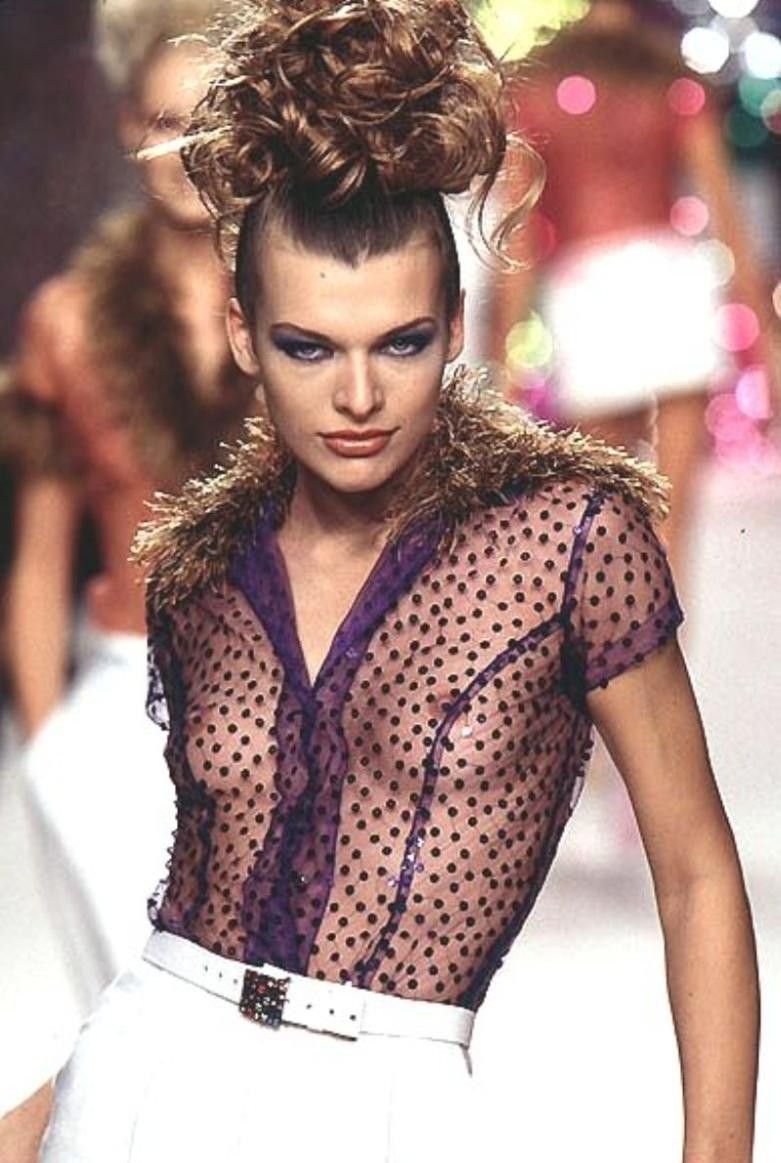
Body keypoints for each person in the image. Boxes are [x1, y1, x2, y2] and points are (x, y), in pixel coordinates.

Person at [36, 1, 758, 1160]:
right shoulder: (204, 567)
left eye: (401, 341)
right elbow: (182, 935)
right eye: (309, 346)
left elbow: (696, 874)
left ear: (453, 325)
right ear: (245, 333)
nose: (359, 396)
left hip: (388, 1099)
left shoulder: (566, 543)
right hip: (141, 1079)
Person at [0, 0, 257, 1155]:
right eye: (162, 123)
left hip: (279, 704)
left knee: (227, 1037)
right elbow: (40, 550)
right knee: (146, 1026)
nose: (186, 149)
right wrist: (47, 742)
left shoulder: (306, 308)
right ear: (123, 129)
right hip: (113, 705)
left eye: (209, 122)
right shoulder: (71, 324)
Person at [486, 0, 775, 578]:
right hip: (673, 284)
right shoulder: (670, 80)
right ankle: (671, 635)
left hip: (587, 295)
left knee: (607, 519)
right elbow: (727, 216)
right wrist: (764, 335)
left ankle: (621, 633)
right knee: (673, 519)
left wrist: (502, 358)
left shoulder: (536, 85)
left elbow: (520, 240)